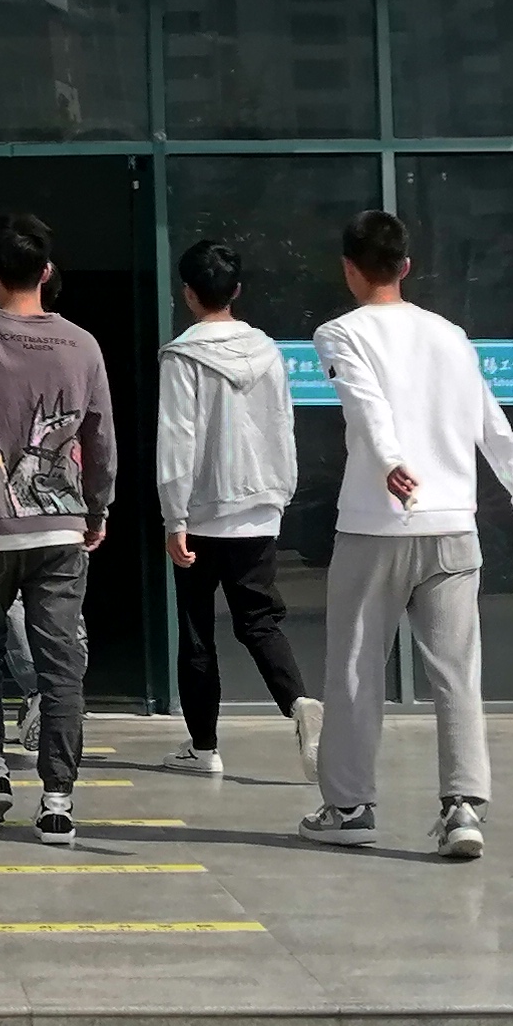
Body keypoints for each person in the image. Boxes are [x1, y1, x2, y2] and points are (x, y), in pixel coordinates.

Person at [300, 207, 513, 857]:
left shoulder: (339, 333)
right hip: (453, 528)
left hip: (374, 525)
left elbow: (364, 402)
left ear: (349, 269)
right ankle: (464, 808)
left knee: (355, 670)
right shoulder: (451, 335)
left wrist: (390, 462)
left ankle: (350, 807)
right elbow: (491, 422)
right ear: (406, 266)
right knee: (457, 673)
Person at [0, 209, 117, 846]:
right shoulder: (83, 345)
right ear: (46, 271)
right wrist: (98, 507)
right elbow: (101, 438)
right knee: (61, 666)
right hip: (62, 529)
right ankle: (58, 802)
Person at [151, 237, 320, 783]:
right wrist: (280, 494)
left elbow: (177, 439)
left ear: (187, 293)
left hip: (202, 512)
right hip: (259, 507)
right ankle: (299, 703)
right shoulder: (269, 351)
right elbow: (283, 425)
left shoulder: (183, 356)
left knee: (197, 631)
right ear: (237, 290)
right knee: (259, 622)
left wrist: (174, 517)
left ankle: (204, 748)